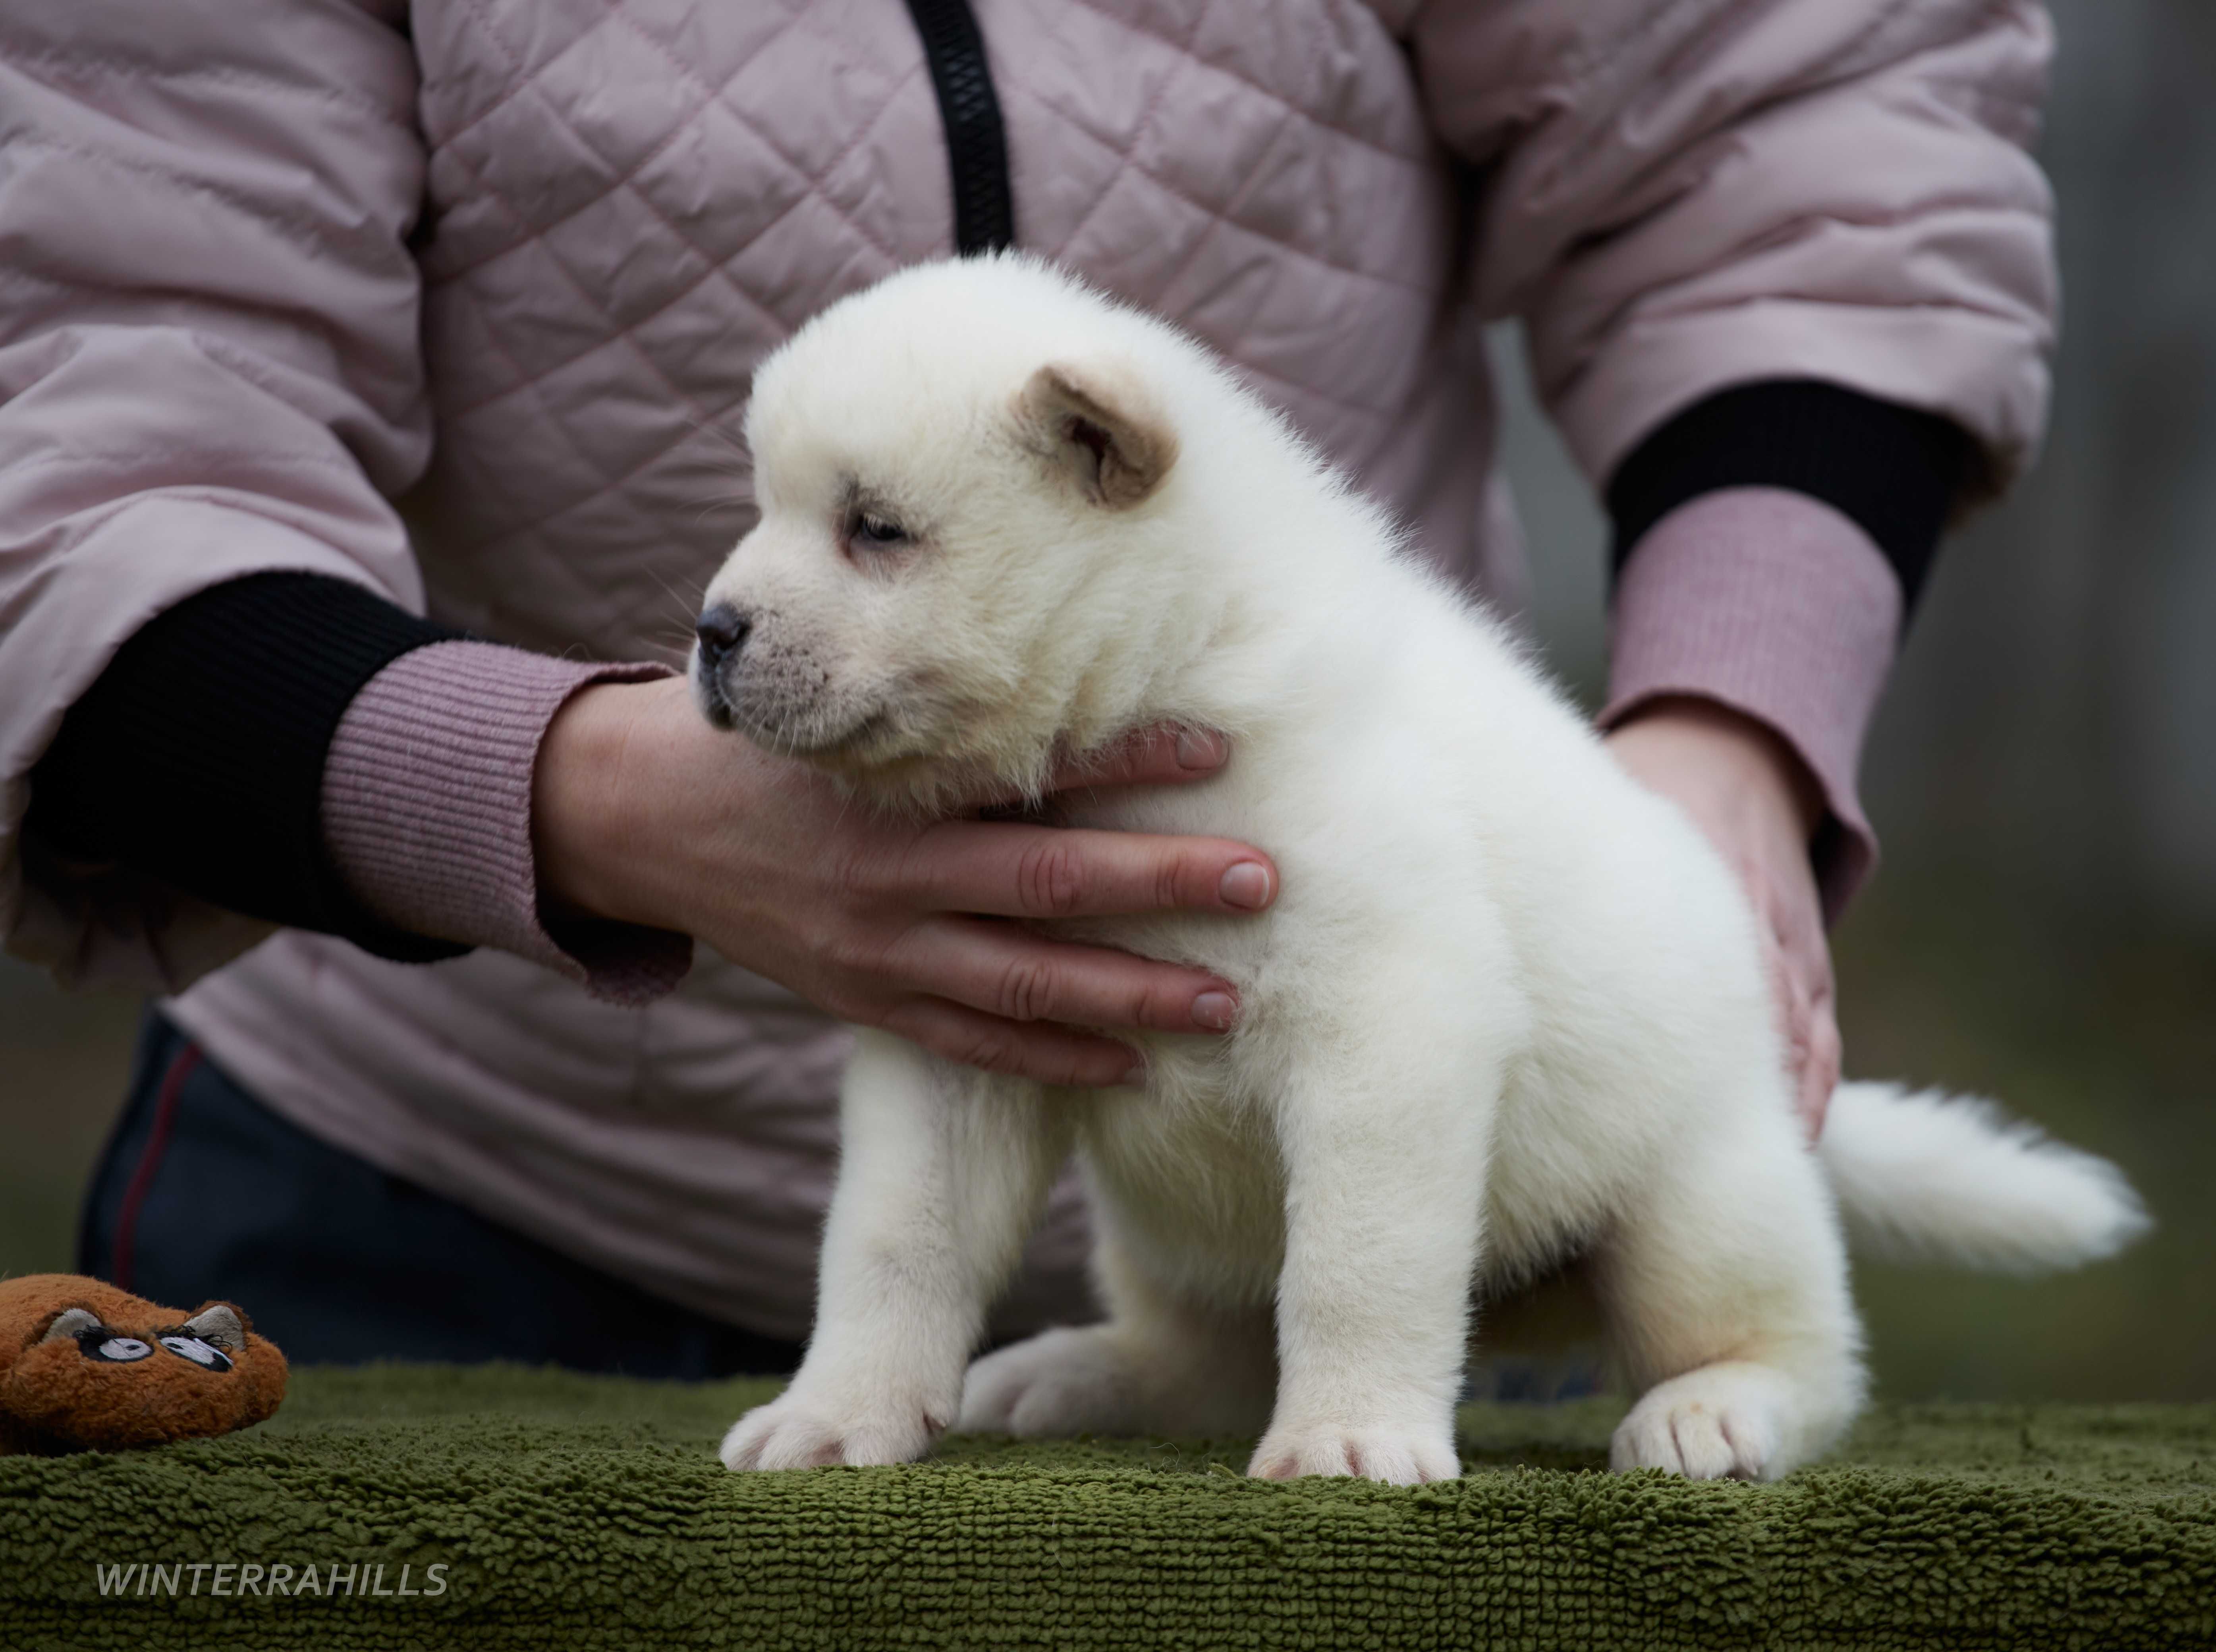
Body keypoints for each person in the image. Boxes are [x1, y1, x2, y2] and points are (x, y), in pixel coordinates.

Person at [0, 0, 2056, 1375]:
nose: (741, 593)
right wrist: (584, 797)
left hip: (1268, 1254)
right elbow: (85, 418)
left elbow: (1792, 117)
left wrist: (1726, 744)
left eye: (872, 532)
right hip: (436, 1172)